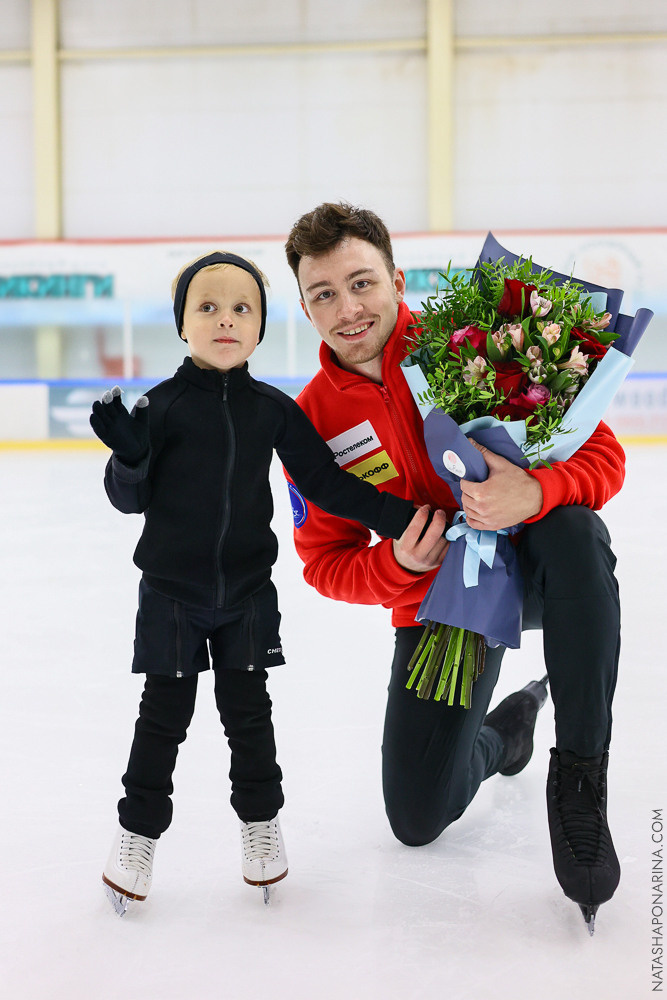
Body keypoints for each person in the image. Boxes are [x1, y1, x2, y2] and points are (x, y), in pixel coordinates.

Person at [283, 202, 624, 932]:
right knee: (415, 817)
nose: (347, 308)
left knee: (574, 532)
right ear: (304, 306)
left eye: (361, 283)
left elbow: (603, 456)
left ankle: (579, 784)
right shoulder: (308, 421)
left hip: (536, 570)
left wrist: (534, 489)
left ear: (396, 279)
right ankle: (508, 731)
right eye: (323, 294)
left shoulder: (469, 342)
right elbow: (324, 564)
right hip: (442, 607)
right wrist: (399, 567)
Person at [90, 250, 420, 914]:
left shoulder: (272, 410)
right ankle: (136, 834)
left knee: (249, 718)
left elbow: (328, 484)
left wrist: (407, 516)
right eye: (206, 307)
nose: (224, 320)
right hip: (171, 597)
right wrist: (129, 457)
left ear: (262, 326)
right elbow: (129, 501)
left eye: (241, 308)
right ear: (182, 323)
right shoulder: (161, 406)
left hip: (245, 598)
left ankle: (261, 828)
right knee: (162, 721)